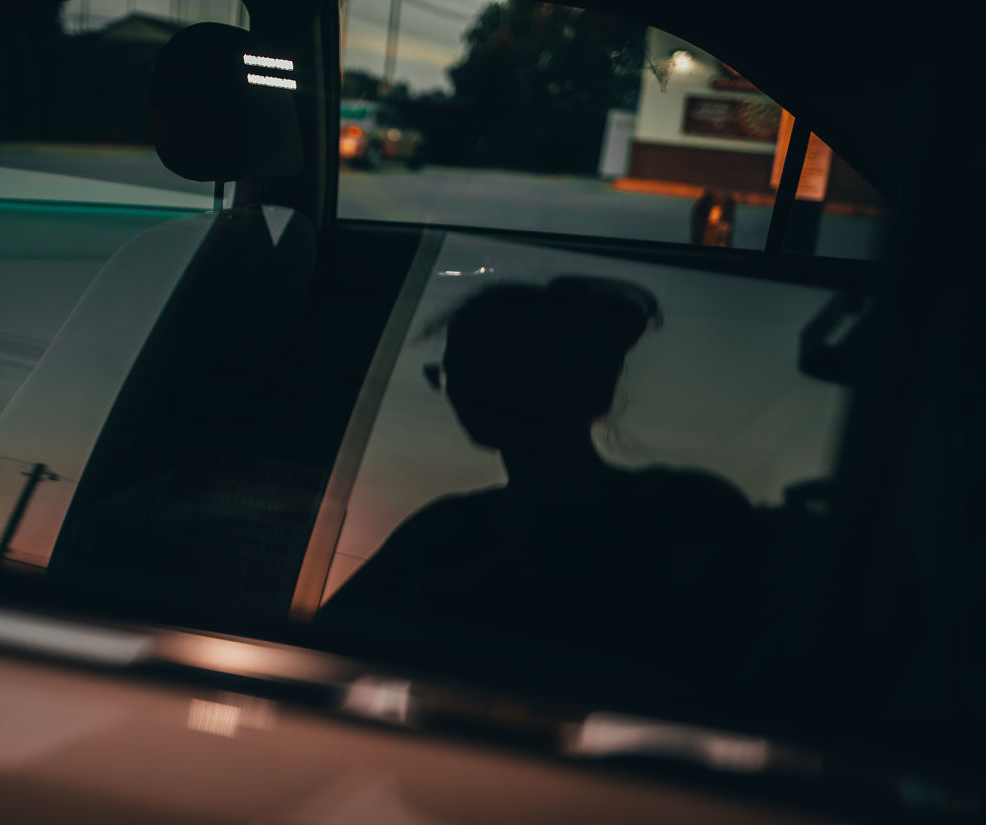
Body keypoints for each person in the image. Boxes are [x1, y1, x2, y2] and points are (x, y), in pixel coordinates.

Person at [318, 276, 757, 688]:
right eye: (452, 372)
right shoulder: (688, 508)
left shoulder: (449, 532)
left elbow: (323, 652)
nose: (456, 390)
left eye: (478, 368)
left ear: (549, 378)